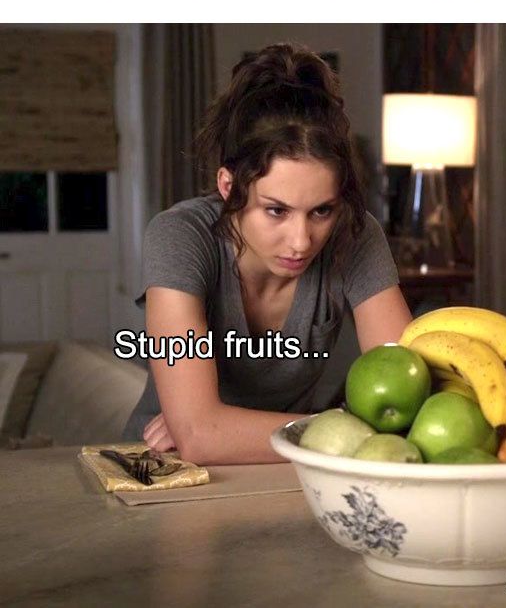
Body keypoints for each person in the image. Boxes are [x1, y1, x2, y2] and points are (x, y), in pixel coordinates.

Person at [122, 42, 413, 464]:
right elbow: (200, 439)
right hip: (164, 469)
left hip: (294, 470)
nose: (301, 240)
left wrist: (222, 427)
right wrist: (339, 426)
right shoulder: (180, 236)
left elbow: (408, 397)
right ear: (229, 187)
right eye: (276, 210)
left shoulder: (354, 234)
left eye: (321, 211)